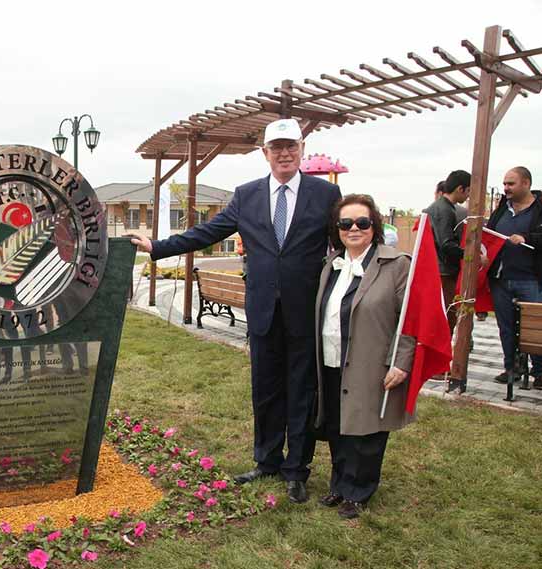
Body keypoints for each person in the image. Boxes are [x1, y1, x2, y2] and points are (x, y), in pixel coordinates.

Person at [131, 119, 342, 503]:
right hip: (262, 312)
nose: (284, 153)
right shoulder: (247, 195)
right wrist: (157, 246)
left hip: (304, 312)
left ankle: (296, 469)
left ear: (301, 148)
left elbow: (345, 240)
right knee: (264, 390)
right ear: (265, 153)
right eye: (276, 147)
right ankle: (266, 460)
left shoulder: (325, 195)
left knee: (301, 393)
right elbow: (207, 233)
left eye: (290, 146)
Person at [315, 194, 416, 519]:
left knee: (367, 430)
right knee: (338, 425)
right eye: (346, 223)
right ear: (337, 229)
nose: (353, 228)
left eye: (362, 222)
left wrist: (401, 361)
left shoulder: (396, 264)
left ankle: (359, 491)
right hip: (332, 358)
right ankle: (340, 483)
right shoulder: (332, 265)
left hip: (370, 361)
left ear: (374, 225)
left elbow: (410, 319)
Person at [485, 167, 542, 387]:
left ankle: (540, 372)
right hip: (502, 279)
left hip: (531, 279)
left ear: (526, 183)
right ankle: (512, 368)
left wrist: (527, 238)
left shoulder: (539, 209)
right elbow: (490, 234)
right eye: (505, 183)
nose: (506, 188)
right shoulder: (501, 208)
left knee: (536, 326)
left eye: (511, 183)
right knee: (506, 327)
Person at [422, 170, 471, 335]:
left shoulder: (439, 207)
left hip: (437, 268)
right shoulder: (445, 210)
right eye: (468, 191)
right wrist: (470, 255)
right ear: (460, 189)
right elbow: (446, 244)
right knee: (448, 316)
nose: (468, 196)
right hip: (443, 271)